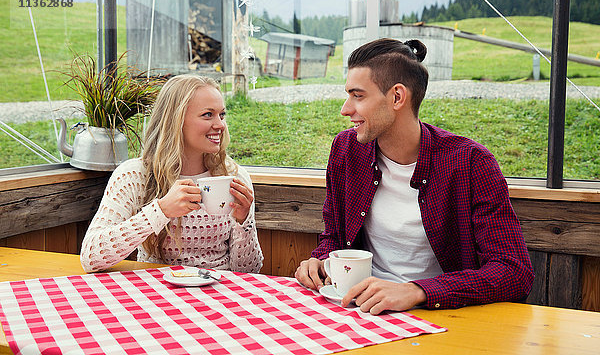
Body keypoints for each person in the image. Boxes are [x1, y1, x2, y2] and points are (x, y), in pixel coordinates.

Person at [295, 38, 534, 315]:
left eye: (358, 96)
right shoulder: (346, 149)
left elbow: (514, 271)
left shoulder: (471, 162)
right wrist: (320, 260)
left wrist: (417, 291)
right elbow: (334, 238)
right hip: (361, 310)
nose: (345, 109)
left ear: (397, 97)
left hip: (442, 315)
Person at [80, 75, 263, 273]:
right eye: (208, 115)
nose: (220, 125)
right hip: (156, 293)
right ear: (176, 120)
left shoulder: (234, 176)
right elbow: (91, 257)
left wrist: (243, 222)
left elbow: (250, 272)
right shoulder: (133, 175)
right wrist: (162, 210)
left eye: (222, 115)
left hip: (218, 292)